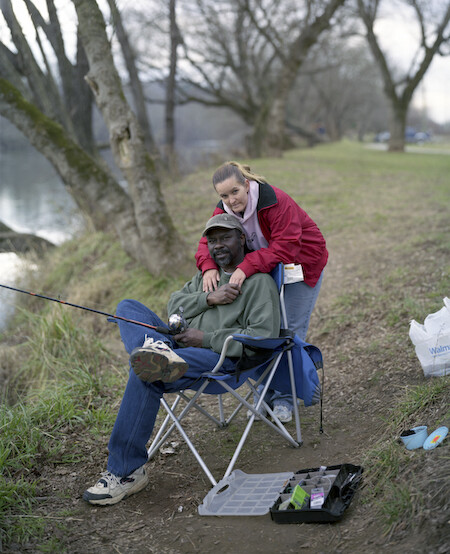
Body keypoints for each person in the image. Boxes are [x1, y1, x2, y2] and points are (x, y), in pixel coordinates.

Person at [83, 213, 280, 506]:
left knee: (145, 373)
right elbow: (174, 305)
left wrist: (206, 338)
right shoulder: (206, 277)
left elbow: (262, 336)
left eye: (225, 238)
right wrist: (208, 299)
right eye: (212, 241)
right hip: (177, 345)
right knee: (127, 307)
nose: (218, 246)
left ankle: (125, 473)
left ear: (242, 238)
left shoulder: (259, 283)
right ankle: (158, 350)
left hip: (217, 357)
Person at [195, 161, 328, 423]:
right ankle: (263, 395)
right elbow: (205, 242)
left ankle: (284, 400)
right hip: (265, 270)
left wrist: (246, 266)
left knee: (289, 332)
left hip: (300, 265)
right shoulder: (224, 209)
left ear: (246, 185)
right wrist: (208, 266)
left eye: (234, 192)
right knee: (262, 330)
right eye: (223, 195)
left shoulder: (276, 201)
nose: (230, 201)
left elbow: (287, 247)